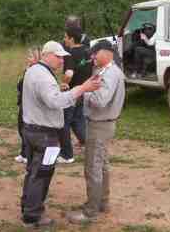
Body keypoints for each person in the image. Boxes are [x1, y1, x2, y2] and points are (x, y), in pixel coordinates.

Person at [20, 41, 100, 228]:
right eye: (59, 57)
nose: (62, 61)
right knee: (42, 174)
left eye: (63, 57)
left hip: (33, 130)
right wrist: (81, 89)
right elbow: (55, 102)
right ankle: (33, 216)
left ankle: (28, 207)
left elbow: (46, 97)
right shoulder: (43, 77)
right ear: (47, 55)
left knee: (33, 172)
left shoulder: (34, 71)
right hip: (44, 135)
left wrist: (60, 90)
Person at [66, 41, 126, 224]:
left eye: (95, 54)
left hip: (99, 125)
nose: (92, 57)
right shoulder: (107, 71)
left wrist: (82, 91)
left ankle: (90, 212)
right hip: (104, 124)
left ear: (106, 52)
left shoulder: (109, 74)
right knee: (102, 165)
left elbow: (100, 100)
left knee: (93, 167)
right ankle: (102, 202)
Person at [58, 27, 92, 164]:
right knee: (78, 119)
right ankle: (87, 143)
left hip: (72, 93)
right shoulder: (88, 51)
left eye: (65, 37)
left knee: (64, 123)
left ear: (71, 39)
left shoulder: (69, 54)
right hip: (85, 90)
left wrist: (63, 84)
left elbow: (69, 74)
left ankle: (67, 155)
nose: (64, 39)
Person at [14, 46, 42, 164]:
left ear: (37, 58)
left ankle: (28, 154)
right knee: (21, 128)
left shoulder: (36, 71)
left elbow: (23, 85)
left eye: (30, 56)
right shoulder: (29, 69)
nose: (28, 58)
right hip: (23, 103)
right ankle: (23, 152)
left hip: (29, 105)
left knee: (26, 129)